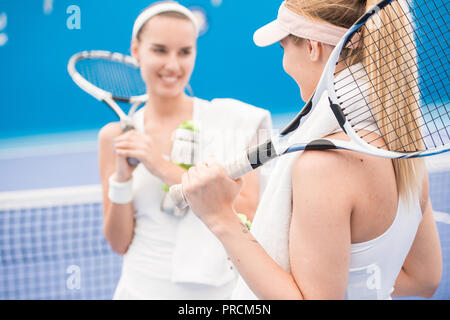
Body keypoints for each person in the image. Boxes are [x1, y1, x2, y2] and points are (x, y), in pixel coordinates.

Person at [181, 0, 442, 299]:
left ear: (312, 47)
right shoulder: (403, 148)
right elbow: (425, 278)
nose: (284, 64)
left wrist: (221, 218)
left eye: (283, 49)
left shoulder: (322, 166)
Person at [98, 1, 271, 299]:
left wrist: (158, 164)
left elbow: (249, 212)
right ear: (136, 50)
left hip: (216, 294)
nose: (173, 66)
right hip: (141, 289)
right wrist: (122, 178)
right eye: (160, 50)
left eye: (184, 52)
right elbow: (118, 242)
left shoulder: (232, 122)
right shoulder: (113, 137)